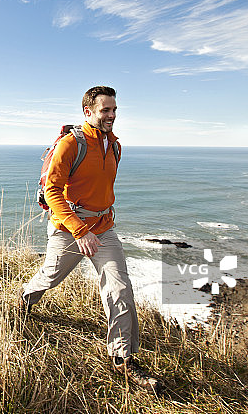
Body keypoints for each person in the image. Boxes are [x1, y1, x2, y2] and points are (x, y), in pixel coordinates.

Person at [20, 86, 162, 393]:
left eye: (114, 110)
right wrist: (79, 229)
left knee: (119, 287)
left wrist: (98, 224)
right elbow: (52, 192)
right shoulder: (72, 144)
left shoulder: (115, 146)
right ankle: (24, 300)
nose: (111, 116)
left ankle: (123, 359)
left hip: (103, 229)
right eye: (105, 110)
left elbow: (101, 187)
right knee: (50, 276)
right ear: (89, 112)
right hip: (70, 229)